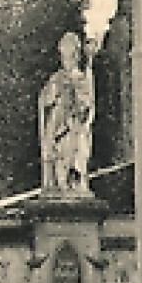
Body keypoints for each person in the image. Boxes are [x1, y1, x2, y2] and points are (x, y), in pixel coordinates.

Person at [38, 31, 98, 193]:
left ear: (77, 56)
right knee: (55, 153)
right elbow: (46, 101)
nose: (67, 61)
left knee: (75, 150)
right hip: (58, 122)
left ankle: (73, 183)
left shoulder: (83, 78)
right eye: (64, 57)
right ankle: (57, 186)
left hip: (74, 125)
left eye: (71, 56)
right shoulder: (56, 78)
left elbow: (87, 105)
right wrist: (53, 93)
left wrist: (78, 97)